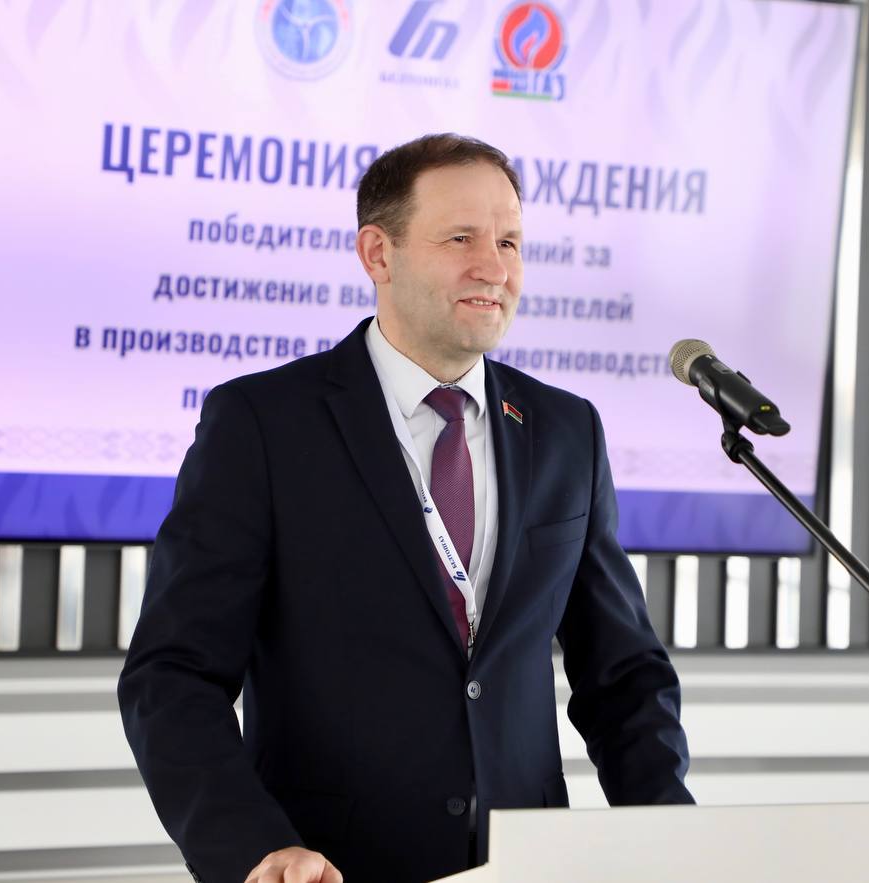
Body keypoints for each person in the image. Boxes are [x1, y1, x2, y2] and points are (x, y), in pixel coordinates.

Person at [117, 133, 693, 883]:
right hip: (331, 868)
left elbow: (622, 675)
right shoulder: (264, 425)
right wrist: (255, 846)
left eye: (509, 242)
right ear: (377, 254)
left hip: (524, 865)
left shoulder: (565, 431)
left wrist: (675, 838)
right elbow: (172, 675)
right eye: (461, 239)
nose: (495, 267)